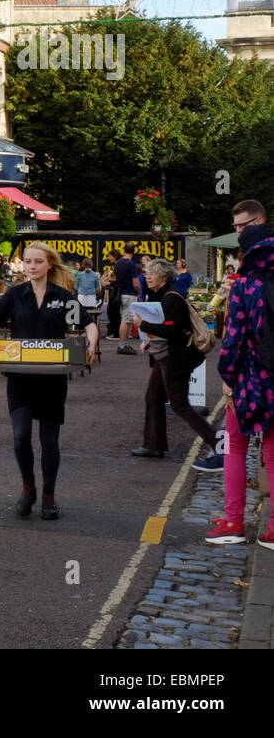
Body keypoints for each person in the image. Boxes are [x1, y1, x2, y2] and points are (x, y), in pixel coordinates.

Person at [0, 242, 99, 521]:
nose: (32, 266)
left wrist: (91, 345)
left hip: (52, 379)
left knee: (49, 441)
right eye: (28, 262)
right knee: (20, 436)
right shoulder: (15, 294)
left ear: (49, 265)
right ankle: (27, 487)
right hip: (20, 378)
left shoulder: (62, 296)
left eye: (37, 262)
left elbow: (89, 324)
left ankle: (49, 495)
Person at [210, 224, 274, 546]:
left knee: (235, 445)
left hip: (250, 381)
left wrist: (228, 381)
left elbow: (232, 341)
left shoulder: (245, 286)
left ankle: (233, 522)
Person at [130, 258, 218, 468]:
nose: (147, 276)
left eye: (152, 273)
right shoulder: (161, 296)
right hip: (163, 357)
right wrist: (149, 341)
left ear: (164, 277)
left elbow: (173, 330)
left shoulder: (171, 299)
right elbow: (165, 329)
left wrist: (144, 325)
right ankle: (153, 445)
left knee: (181, 406)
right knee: (153, 398)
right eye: (146, 273)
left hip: (174, 360)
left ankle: (218, 443)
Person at [114, 244, 140, 354]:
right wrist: (138, 290)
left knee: (126, 320)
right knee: (126, 320)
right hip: (129, 293)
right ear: (134, 251)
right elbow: (135, 282)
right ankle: (122, 345)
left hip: (121, 293)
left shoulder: (118, 263)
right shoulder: (131, 264)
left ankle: (124, 344)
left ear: (123, 250)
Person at [74, 259, 102, 356]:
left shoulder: (79, 275)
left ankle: (79, 330)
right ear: (92, 265)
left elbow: (76, 287)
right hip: (91, 298)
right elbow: (98, 288)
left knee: (80, 315)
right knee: (91, 317)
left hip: (81, 297)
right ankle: (92, 331)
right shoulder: (95, 275)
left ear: (82, 265)